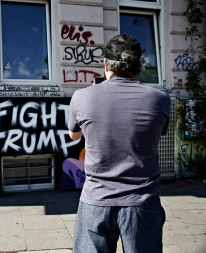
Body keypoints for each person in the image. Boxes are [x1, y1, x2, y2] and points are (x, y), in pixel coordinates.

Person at [68, 34, 171, 253]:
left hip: (96, 200)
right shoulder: (160, 98)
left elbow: (73, 136)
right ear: (139, 64)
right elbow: (157, 133)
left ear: (106, 63)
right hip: (142, 202)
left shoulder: (81, 96)